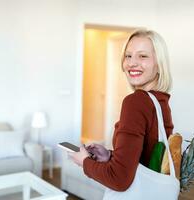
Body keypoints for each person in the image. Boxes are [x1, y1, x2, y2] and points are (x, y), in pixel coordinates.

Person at [69, 29, 174, 191]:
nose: (132, 63)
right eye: (128, 55)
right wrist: (110, 156)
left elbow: (119, 179)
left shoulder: (136, 101)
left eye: (143, 56)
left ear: (159, 64)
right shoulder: (160, 101)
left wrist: (84, 161)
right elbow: (146, 158)